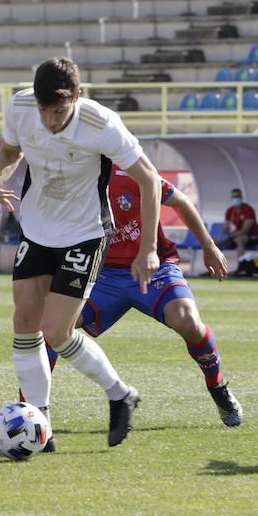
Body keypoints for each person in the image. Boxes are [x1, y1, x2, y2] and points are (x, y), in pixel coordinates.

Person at [0, 57, 153, 449]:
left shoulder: (102, 124)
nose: (49, 121)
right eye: (44, 111)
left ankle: (120, 394)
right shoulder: (20, 106)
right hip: (36, 228)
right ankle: (40, 423)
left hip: (84, 233)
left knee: (57, 331)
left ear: (77, 98)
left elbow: (149, 179)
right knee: (25, 321)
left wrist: (147, 249)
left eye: (59, 111)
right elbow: (10, 153)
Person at [51, 165, 243, 426]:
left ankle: (217, 387)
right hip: (103, 276)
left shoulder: (131, 170)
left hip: (157, 268)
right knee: (51, 328)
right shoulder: (70, 180)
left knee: (188, 322)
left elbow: (181, 201)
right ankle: (36, 409)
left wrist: (208, 246)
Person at [221, 187, 258, 275]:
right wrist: (224, 233)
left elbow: (245, 230)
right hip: (233, 236)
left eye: (237, 197)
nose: (235, 199)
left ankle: (242, 268)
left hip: (251, 237)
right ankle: (215, 269)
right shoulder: (230, 210)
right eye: (234, 197)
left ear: (241, 198)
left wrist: (229, 236)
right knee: (214, 242)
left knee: (240, 240)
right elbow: (225, 227)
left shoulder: (248, 210)